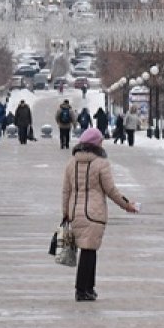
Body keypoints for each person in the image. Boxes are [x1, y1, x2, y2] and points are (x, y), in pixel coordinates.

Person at [61, 127, 138, 301]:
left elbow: (66, 190)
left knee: (89, 250)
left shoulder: (71, 162)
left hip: (75, 212)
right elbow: (110, 190)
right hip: (94, 213)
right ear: (96, 144)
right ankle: (82, 289)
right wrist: (127, 205)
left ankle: (89, 288)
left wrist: (65, 212)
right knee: (89, 251)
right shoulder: (101, 163)